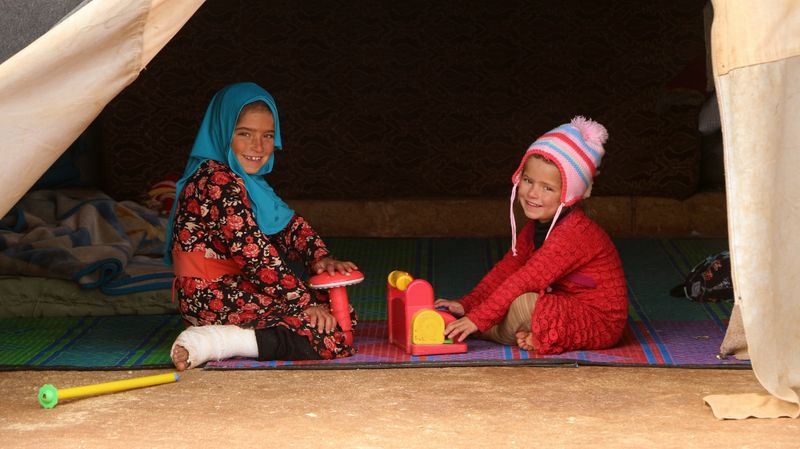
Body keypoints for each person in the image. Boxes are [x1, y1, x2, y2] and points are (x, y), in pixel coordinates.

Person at [165, 82, 359, 370]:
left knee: (338, 314)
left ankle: (229, 336)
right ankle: (216, 339)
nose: (258, 147)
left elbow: (291, 228)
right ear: (222, 132)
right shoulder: (215, 181)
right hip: (209, 292)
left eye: (267, 136)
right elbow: (254, 255)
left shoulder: (249, 183)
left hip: (235, 284)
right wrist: (303, 303)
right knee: (329, 337)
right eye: (244, 134)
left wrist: (320, 258)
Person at [434, 116, 628, 354]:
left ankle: (476, 330)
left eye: (548, 188)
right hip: (560, 303)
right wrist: (467, 305)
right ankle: (488, 327)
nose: (533, 193)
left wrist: (478, 318)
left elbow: (525, 279)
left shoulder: (575, 233)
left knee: (524, 302)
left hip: (598, 320)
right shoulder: (534, 227)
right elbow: (507, 270)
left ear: (569, 194)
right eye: (528, 180)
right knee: (516, 298)